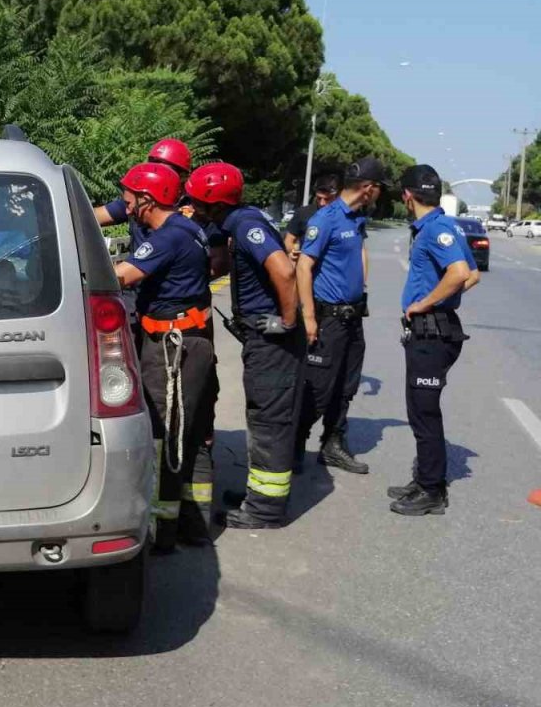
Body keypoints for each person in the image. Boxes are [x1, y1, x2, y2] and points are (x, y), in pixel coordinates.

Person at [187, 163, 301, 529]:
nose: (192, 206)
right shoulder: (237, 220)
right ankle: (259, 494)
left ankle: (266, 510)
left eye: (197, 202)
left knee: (268, 420)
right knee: (260, 414)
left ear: (214, 204)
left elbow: (284, 270)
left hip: (272, 340)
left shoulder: (245, 225)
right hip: (261, 336)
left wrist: (287, 321)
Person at [113, 162, 214, 550]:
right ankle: (187, 525)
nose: (125, 204)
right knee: (182, 434)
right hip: (187, 341)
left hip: (172, 347)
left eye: (129, 198)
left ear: (147, 199)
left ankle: (160, 534)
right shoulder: (187, 229)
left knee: (162, 437)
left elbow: (122, 276)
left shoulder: (168, 237)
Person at [390, 164, 477, 516]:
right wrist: (442, 298)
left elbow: (460, 274)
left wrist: (424, 303)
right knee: (419, 409)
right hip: (434, 329)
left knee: (424, 412)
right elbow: (472, 275)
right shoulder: (443, 226)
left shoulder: (434, 229)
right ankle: (425, 479)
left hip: (432, 332)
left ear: (407, 196)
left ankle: (432, 491)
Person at [295, 157, 386, 477]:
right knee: (318, 388)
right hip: (329, 318)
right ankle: (293, 445)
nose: (380, 194)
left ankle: (332, 444)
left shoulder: (357, 217)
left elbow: (358, 254)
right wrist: (309, 317)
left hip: (352, 317)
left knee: (346, 385)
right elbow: (304, 266)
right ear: (368, 188)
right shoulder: (326, 219)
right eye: (379, 188)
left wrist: (361, 288)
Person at [284, 174, 340, 264]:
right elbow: (289, 240)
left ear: (336, 196)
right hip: (306, 267)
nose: (322, 203)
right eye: (319, 198)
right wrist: (292, 252)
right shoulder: (302, 213)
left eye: (327, 199)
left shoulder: (343, 215)